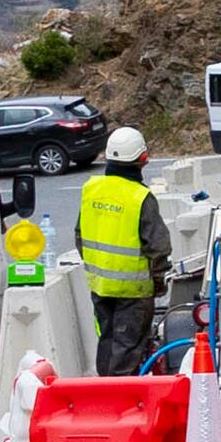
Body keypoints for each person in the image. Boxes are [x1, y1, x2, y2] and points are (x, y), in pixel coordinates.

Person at [74, 127, 170, 376]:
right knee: (127, 351)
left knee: (107, 343)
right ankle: (122, 396)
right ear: (142, 159)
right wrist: (158, 280)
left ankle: (105, 392)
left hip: (100, 287)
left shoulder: (91, 189)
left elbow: (80, 235)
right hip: (134, 291)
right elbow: (158, 247)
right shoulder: (140, 197)